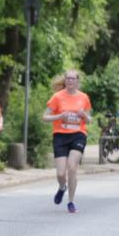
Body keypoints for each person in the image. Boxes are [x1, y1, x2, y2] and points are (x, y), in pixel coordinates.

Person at [42, 70, 91, 213]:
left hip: (78, 134)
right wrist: (59, 116)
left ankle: (71, 201)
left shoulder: (84, 97)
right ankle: (62, 187)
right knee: (60, 174)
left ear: (77, 81)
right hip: (60, 136)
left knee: (72, 167)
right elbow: (45, 117)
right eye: (68, 78)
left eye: (73, 78)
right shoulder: (57, 97)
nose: (70, 81)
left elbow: (89, 119)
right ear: (65, 81)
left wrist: (84, 116)